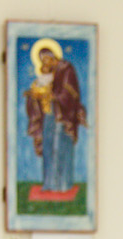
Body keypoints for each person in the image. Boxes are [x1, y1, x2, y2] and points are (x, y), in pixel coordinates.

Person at [25, 40, 88, 194]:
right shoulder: (48, 73)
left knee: (60, 148)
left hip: (63, 116)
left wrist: (54, 96)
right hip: (49, 114)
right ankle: (49, 184)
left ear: (53, 57)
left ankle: (63, 184)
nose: (44, 63)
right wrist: (34, 96)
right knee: (48, 147)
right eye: (42, 61)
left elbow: (70, 93)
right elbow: (42, 88)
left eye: (46, 59)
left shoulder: (66, 69)